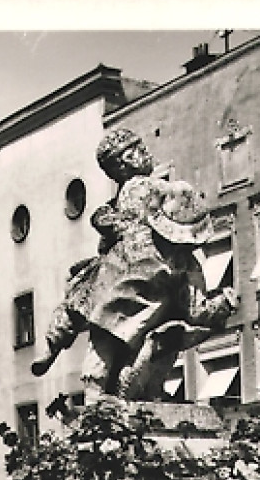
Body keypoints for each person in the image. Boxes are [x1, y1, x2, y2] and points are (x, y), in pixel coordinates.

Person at [32, 128, 237, 400]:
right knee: (107, 316)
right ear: (124, 162)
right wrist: (222, 305)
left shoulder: (134, 192)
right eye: (137, 149)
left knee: (90, 311)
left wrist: (108, 220)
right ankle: (132, 385)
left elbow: (109, 220)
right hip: (146, 270)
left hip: (127, 271)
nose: (146, 152)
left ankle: (58, 351)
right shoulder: (147, 188)